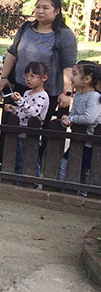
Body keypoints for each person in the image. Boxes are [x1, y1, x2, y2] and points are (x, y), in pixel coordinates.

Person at [0, 0, 77, 121]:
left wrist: (66, 93)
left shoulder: (64, 35)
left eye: (45, 8)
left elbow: (68, 66)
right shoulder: (25, 28)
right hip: (19, 86)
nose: (40, 11)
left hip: (46, 92)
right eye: (38, 7)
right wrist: (4, 77)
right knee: (11, 124)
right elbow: (12, 53)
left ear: (56, 11)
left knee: (37, 126)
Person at [58, 61, 101, 193]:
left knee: (86, 169)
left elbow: (89, 118)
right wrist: (67, 119)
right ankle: (60, 188)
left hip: (90, 141)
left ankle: (84, 195)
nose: (71, 77)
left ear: (87, 79)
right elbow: (73, 113)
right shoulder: (78, 95)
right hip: (79, 138)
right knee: (64, 163)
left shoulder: (94, 97)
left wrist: (71, 119)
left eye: (75, 74)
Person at [3, 61, 49, 177]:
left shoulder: (43, 96)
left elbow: (34, 112)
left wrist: (20, 101)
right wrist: (14, 109)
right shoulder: (27, 92)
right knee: (19, 159)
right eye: (26, 76)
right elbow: (23, 111)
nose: (28, 79)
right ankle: (18, 181)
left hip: (32, 133)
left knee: (31, 160)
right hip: (21, 131)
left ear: (43, 78)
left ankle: (35, 180)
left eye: (32, 76)